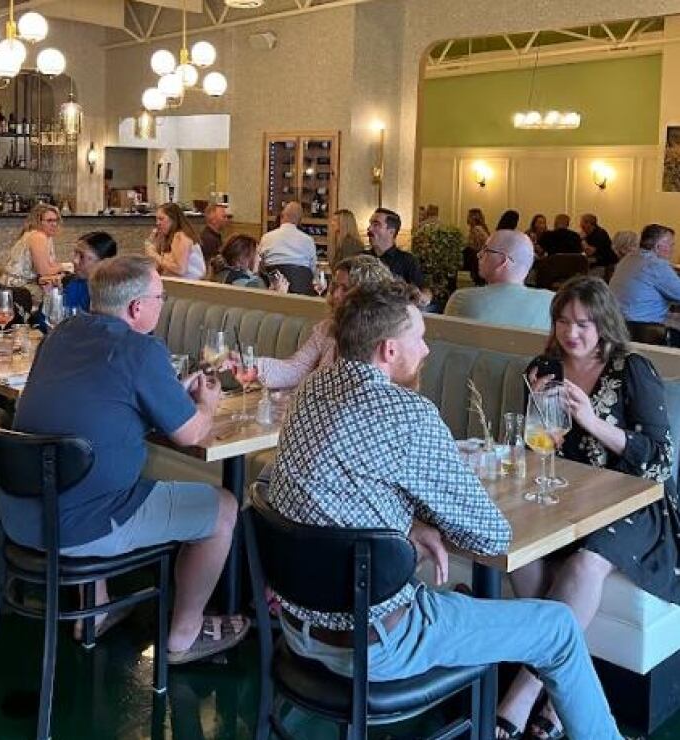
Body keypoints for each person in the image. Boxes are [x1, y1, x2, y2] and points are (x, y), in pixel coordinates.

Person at [266, 281, 621, 740]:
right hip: (377, 646)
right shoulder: (405, 412)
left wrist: (412, 524)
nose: (427, 347)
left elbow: (336, 494)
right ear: (389, 350)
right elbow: (491, 537)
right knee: (558, 626)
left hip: (298, 631)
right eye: (419, 336)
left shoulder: (313, 389)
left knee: (460, 595)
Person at [8, 256, 249, 658]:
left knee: (101, 472)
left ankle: (95, 613)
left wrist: (169, 391)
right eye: (160, 296)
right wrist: (206, 404)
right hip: (81, 525)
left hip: (22, 512)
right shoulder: (141, 349)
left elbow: (103, 399)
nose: (162, 303)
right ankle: (184, 636)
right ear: (137, 307)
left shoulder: (62, 333)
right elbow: (191, 433)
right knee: (224, 508)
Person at [498, 275, 679, 739]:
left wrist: (592, 422)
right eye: (562, 321)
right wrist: (539, 414)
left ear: (604, 325)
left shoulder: (631, 368)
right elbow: (535, 447)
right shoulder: (545, 367)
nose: (570, 333)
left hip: (634, 500)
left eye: (582, 323)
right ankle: (564, 695)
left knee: (585, 562)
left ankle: (520, 697)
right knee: (520, 547)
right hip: (568, 493)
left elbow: (659, 460)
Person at [253, 254, 392, 389]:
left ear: (368, 295)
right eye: (335, 287)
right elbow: (297, 368)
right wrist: (249, 366)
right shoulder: (327, 328)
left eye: (346, 289)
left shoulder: (384, 341)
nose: (336, 295)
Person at [444, 230, 552, 331]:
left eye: (486, 250)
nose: (479, 255)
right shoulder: (553, 302)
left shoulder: (462, 299)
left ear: (503, 261)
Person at [609, 224, 680, 325]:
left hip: (616, 323)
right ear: (658, 246)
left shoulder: (628, 258)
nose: (673, 250)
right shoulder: (656, 265)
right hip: (643, 329)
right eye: (671, 245)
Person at [1, 204, 64, 301]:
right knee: (60, 295)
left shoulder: (43, 236)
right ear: (38, 222)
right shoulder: (38, 237)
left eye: (56, 220)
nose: (54, 224)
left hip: (21, 284)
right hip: (18, 289)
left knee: (57, 289)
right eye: (49, 221)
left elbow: (49, 266)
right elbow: (44, 272)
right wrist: (66, 266)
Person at [365, 208, 428, 295]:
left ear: (391, 232)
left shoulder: (407, 260)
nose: (369, 229)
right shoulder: (360, 258)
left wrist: (423, 297)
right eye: (370, 224)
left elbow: (423, 290)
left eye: (376, 224)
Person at [145, 203, 206, 280]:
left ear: (173, 219)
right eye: (156, 219)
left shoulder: (181, 236)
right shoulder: (168, 237)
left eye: (161, 219)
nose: (157, 223)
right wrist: (157, 245)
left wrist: (154, 254)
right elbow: (160, 268)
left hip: (190, 286)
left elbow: (180, 269)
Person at [61, 231, 117, 313]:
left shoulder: (115, 294)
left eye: (82, 256)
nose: (74, 261)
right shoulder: (75, 284)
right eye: (75, 253)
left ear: (103, 262)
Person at [211, 234, 289, 292]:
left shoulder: (219, 275)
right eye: (257, 254)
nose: (260, 259)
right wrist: (280, 294)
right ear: (243, 258)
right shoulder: (253, 283)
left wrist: (270, 292)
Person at [257, 201, 317, 273]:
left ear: (281, 216)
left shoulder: (266, 238)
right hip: (300, 282)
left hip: (271, 282)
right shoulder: (308, 240)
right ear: (300, 221)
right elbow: (312, 269)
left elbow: (259, 264)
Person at [462, 207, 490, 286]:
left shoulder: (477, 229)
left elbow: (475, 247)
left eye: (469, 216)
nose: (467, 218)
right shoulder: (477, 229)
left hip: (478, 259)